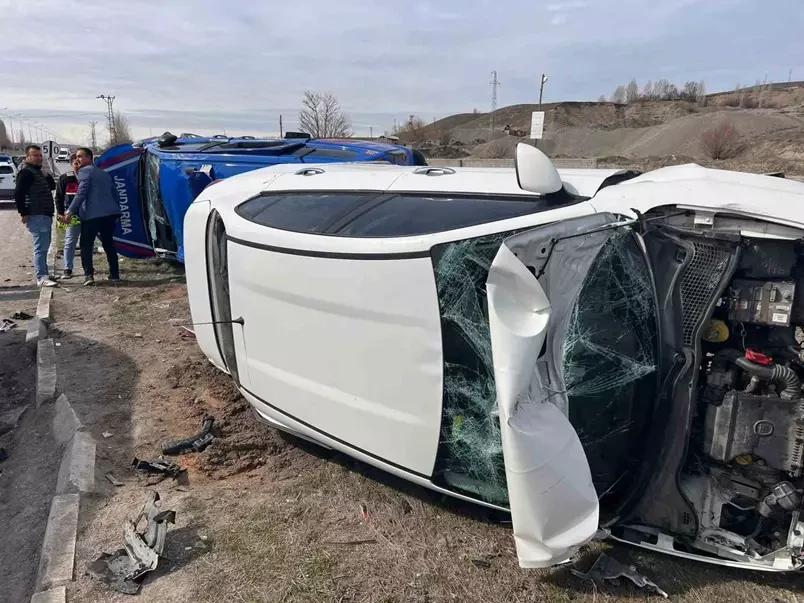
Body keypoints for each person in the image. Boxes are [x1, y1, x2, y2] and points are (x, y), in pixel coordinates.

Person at [63, 147, 121, 286]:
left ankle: (88, 276)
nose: (77, 159)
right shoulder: (103, 172)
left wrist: (70, 211)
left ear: (89, 157)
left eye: (80, 156)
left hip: (92, 215)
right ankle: (114, 274)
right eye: (76, 157)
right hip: (109, 214)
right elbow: (115, 193)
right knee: (108, 244)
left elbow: (81, 193)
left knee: (86, 245)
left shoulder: (84, 171)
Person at [14, 144, 57, 287]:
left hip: (44, 213)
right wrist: (24, 213)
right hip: (36, 214)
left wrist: (46, 174)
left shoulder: (37, 172)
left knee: (44, 246)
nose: (39, 158)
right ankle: (41, 277)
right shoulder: (26, 173)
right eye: (35, 156)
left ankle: (44, 273)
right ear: (27, 157)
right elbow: (18, 194)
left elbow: (52, 186)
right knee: (41, 247)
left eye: (40, 156)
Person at [55, 154, 82, 279]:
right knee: (70, 241)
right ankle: (68, 268)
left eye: (80, 163)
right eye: (76, 163)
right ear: (71, 164)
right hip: (71, 215)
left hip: (88, 214)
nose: (78, 166)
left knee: (87, 242)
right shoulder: (65, 178)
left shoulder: (88, 177)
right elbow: (59, 197)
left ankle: (88, 268)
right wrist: (60, 213)